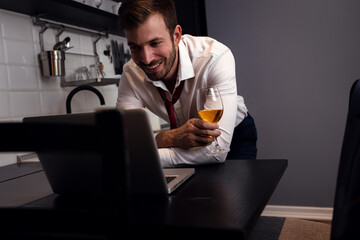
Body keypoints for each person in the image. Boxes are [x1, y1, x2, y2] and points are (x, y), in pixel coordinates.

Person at [116, 0, 256, 167]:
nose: (146, 59)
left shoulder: (215, 57)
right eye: (135, 47)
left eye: (155, 43)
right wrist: (169, 138)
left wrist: (143, 156)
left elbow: (215, 151)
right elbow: (124, 141)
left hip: (234, 136)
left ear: (176, 36)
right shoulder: (131, 74)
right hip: (180, 141)